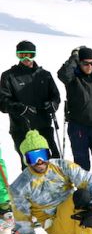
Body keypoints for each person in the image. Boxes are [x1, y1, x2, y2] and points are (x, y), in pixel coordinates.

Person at [57, 46, 92, 191]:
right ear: (79, 63)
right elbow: (63, 74)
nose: (89, 66)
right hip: (78, 126)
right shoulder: (73, 78)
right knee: (82, 163)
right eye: (85, 63)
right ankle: (85, 193)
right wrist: (74, 58)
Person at [0, 40, 61, 168]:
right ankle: (32, 188)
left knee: (52, 162)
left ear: (34, 55)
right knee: (32, 165)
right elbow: (3, 103)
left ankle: (55, 188)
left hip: (44, 127)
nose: (26, 59)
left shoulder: (44, 75)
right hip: (21, 129)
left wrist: (53, 105)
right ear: (17, 55)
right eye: (22, 55)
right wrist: (20, 108)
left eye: (30, 55)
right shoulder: (9, 76)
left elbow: (55, 96)